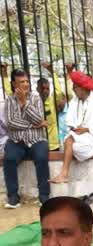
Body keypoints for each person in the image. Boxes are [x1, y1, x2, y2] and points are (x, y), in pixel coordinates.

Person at [49, 71, 93, 184]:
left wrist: (86, 129)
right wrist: (74, 128)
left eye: (75, 87)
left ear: (83, 88)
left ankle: (64, 173)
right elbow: (68, 120)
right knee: (73, 147)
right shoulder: (73, 101)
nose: (73, 90)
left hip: (92, 136)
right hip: (78, 136)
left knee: (69, 141)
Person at [3, 68, 50, 209]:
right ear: (13, 84)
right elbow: (11, 123)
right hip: (17, 141)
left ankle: (44, 196)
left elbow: (38, 118)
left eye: (27, 81)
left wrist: (24, 102)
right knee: (9, 159)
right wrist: (34, 125)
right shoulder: (9, 100)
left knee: (41, 158)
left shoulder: (36, 98)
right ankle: (13, 196)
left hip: (37, 140)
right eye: (21, 81)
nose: (26, 84)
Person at [39, 62, 67, 151]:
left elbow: (58, 91)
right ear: (37, 89)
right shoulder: (34, 102)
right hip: (39, 144)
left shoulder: (51, 101)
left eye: (47, 88)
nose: (45, 91)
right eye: (43, 88)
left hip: (54, 145)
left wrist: (52, 72)